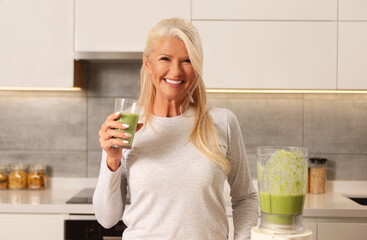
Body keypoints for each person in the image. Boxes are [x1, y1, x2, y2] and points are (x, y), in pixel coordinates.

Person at [93, 17, 259, 240]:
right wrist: (111, 160)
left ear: (198, 67)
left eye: (187, 60)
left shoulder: (223, 122)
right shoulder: (128, 126)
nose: (176, 71)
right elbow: (107, 218)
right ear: (148, 63)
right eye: (165, 58)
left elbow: (245, 198)